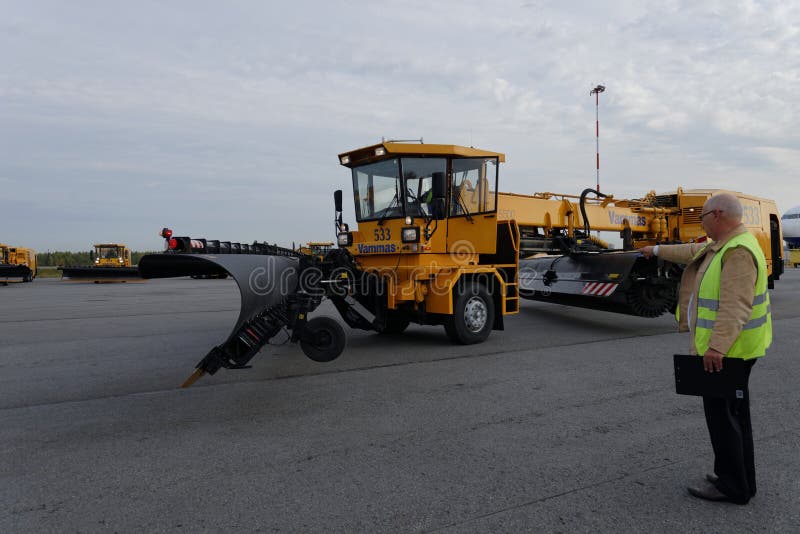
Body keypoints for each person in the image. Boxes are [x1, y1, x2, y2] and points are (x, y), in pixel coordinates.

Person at [640, 192, 772, 504]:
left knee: (723, 419)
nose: (701, 222)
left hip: (728, 353)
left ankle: (733, 486)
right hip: (735, 351)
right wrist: (654, 249)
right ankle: (738, 479)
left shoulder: (737, 251)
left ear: (718, 215)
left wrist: (717, 348)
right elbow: (691, 251)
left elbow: (735, 305)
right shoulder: (724, 245)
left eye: (702, 217)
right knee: (734, 417)